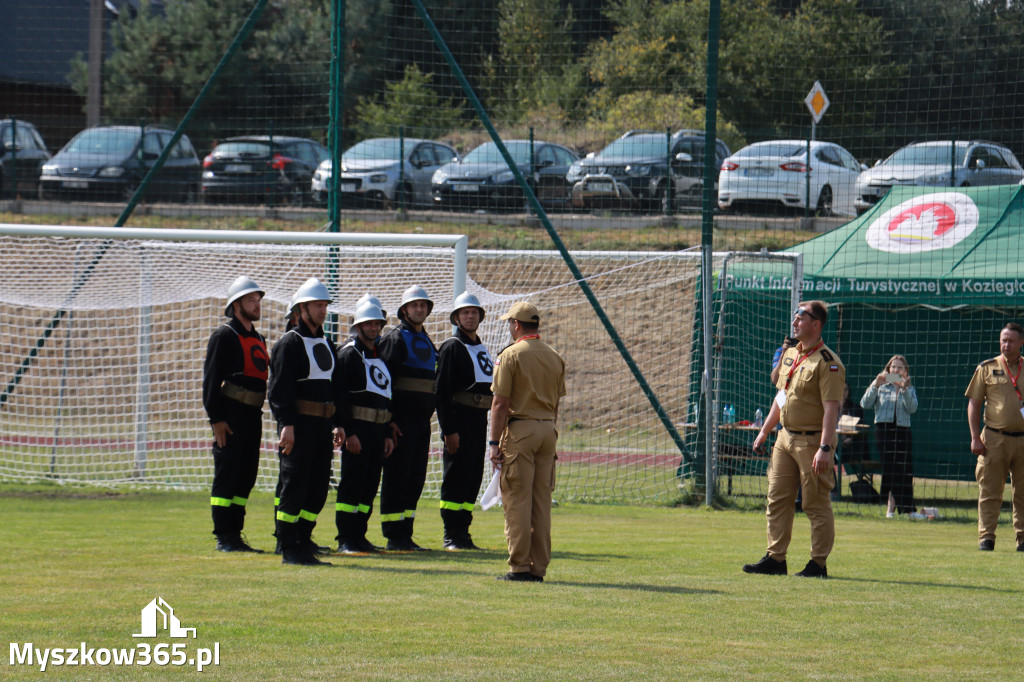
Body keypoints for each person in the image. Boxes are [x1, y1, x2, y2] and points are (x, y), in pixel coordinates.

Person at [744, 300, 844, 579]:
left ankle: (818, 564)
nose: (795, 321)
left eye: (801, 317)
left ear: (816, 324)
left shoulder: (829, 363)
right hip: (784, 438)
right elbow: (782, 396)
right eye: (795, 316)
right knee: (777, 498)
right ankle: (776, 558)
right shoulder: (790, 354)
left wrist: (825, 447)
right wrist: (765, 430)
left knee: (815, 503)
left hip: (811, 442)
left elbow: (831, 410)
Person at [268, 277, 346, 566]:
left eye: (325, 304)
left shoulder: (327, 342)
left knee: (317, 488)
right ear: (302, 309)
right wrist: (286, 425)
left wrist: (338, 422)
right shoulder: (289, 343)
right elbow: (279, 389)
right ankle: (288, 547)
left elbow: (334, 387)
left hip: (322, 429)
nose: (323, 310)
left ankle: (303, 539)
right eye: (317, 305)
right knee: (295, 485)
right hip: (298, 427)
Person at [489, 301, 565, 582]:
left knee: (517, 501)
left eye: (510, 322)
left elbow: (500, 403)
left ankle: (519, 566)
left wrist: (494, 443)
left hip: (521, 431)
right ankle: (539, 567)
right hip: (547, 429)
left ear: (517, 325)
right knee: (541, 502)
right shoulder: (554, 356)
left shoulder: (510, 355)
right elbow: (556, 403)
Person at [202, 276, 269, 553]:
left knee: (246, 476)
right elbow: (210, 380)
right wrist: (216, 419)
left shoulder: (258, 338)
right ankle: (223, 536)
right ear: (237, 304)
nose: (257, 304)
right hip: (229, 416)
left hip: (253, 416)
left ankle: (236, 534)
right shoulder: (224, 336)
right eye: (251, 300)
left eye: (258, 300)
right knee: (227, 475)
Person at [377, 285, 437, 551]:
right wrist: (389, 420)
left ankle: (406, 534)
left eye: (423, 305)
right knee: (397, 477)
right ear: (404, 310)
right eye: (414, 305)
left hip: (422, 423)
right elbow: (384, 381)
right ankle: (393, 536)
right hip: (399, 423)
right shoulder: (394, 339)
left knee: (415, 478)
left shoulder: (427, 340)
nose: (419, 309)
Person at [335, 298, 396, 554]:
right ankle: (346, 538)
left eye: (377, 323)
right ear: (358, 326)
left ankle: (359, 536)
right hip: (357, 433)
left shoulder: (379, 355)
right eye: (368, 323)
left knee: (369, 486)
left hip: (377, 432)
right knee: (352, 486)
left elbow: (385, 397)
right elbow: (340, 397)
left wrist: (388, 431)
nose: (373, 327)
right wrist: (348, 432)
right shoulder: (349, 354)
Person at [436, 291, 493, 550]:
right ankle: (451, 533)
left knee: (472, 476)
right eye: (465, 312)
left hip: (478, 421)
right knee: (456, 476)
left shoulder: (480, 347)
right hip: (459, 421)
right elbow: (442, 393)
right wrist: (449, 430)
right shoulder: (452, 347)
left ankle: (464, 532)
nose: (470, 316)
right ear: (457, 317)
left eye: (474, 312)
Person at [966, 322, 1024, 552]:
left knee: (1023, 492)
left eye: (1010, 340)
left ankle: (1022, 538)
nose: (1006, 344)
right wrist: (974, 437)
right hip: (994, 439)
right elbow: (974, 404)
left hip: (1023, 440)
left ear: (1021, 342)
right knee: (989, 490)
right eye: (1003, 340)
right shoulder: (987, 368)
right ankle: (986, 538)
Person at [860, 356, 920, 517]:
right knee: (891, 469)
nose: (896, 370)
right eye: (893, 367)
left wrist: (904, 389)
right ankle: (907, 509)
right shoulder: (881, 386)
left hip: (903, 430)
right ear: (888, 370)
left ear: (905, 371)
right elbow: (864, 403)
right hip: (883, 430)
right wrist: (875, 384)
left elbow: (912, 408)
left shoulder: (909, 388)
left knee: (905, 470)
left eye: (900, 368)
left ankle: (896, 510)